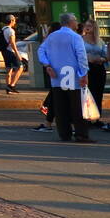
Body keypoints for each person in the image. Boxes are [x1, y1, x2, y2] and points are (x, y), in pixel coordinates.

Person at [39, 13, 92, 143]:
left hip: (57, 77)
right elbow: (81, 56)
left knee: (60, 107)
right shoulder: (75, 37)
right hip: (73, 76)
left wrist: (47, 64)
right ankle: (81, 134)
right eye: (75, 20)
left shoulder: (52, 36)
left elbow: (41, 50)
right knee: (78, 107)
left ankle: (64, 133)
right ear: (70, 22)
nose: (77, 23)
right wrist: (83, 73)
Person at [80, 19, 108, 128]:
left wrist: (100, 59)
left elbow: (106, 56)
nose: (87, 27)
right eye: (86, 25)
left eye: (90, 26)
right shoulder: (81, 40)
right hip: (87, 69)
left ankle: (97, 118)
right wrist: (88, 58)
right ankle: (86, 118)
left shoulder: (100, 41)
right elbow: (78, 53)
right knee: (87, 93)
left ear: (94, 28)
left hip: (99, 68)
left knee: (98, 93)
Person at [0, 14, 25, 93]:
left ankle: (8, 89)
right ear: (12, 21)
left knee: (9, 70)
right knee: (20, 67)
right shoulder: (10, 31)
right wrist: (17, 53)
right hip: (10, 51)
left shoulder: (3, 29)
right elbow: (12, 43)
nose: (15, 22)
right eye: (14, 20)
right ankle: (12, 85)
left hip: (4, 51)